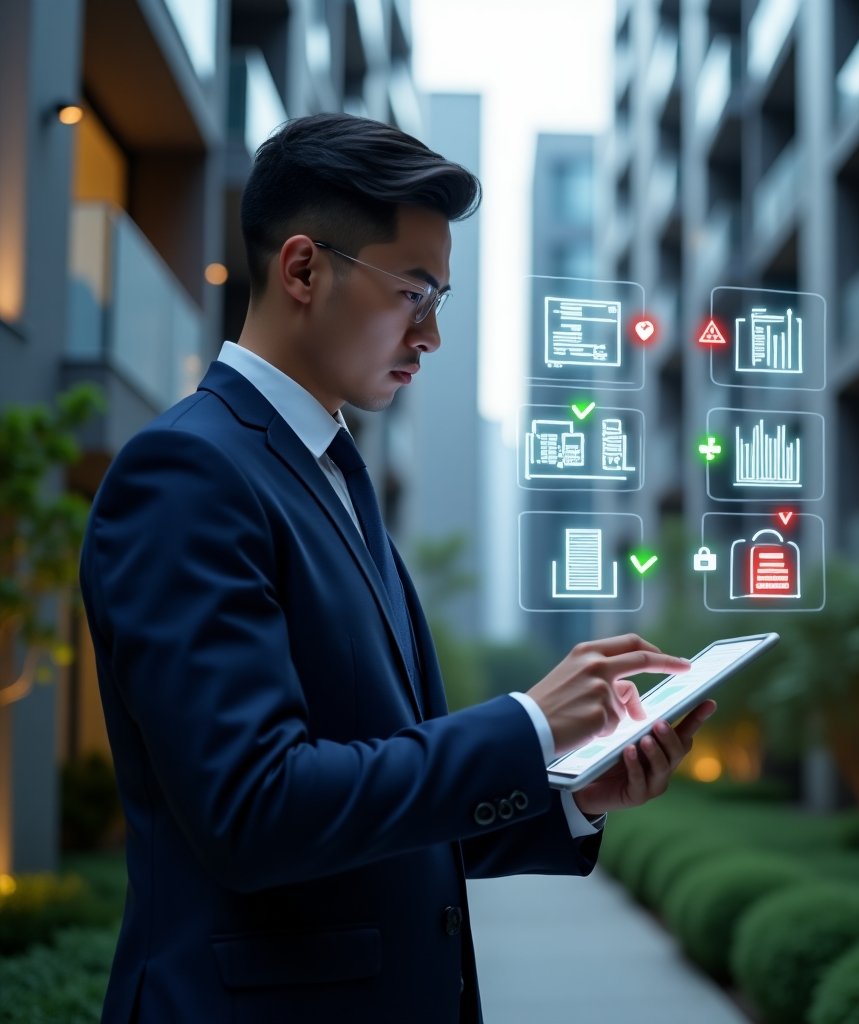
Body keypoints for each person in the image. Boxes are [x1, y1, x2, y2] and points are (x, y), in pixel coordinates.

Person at [79, 112, 714, 1023]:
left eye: (440, 301)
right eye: (415, 292)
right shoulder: (188, 472)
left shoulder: (332, 472)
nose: (431, 336)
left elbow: (384, 807)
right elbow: (255, 810)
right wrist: (526, 725)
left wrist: (566, 787)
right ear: (303, 269)